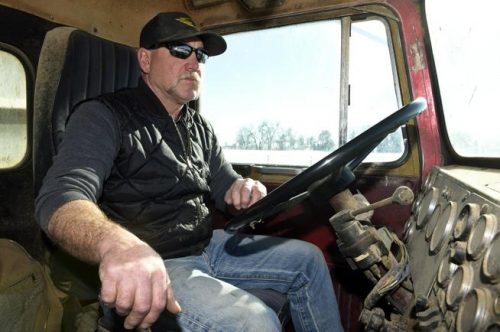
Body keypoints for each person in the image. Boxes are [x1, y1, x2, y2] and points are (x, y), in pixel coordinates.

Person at [35, 12, 344, 332]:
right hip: (159, 262)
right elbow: (60, 198)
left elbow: (226, 185)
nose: (194, 63)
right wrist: (117, 245)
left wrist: (242, 188)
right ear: (145, 59)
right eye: (180, 50)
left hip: (206, 244)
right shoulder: (103, 115)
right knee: (254, 320)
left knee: (309, 260)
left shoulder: (200, 128)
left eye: (200, 55)